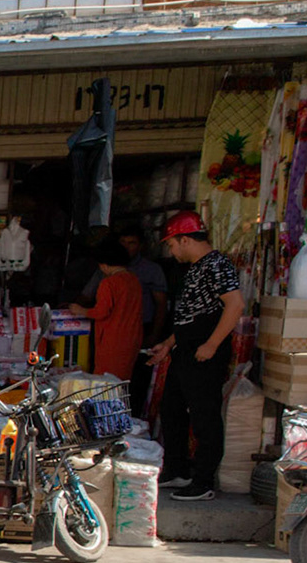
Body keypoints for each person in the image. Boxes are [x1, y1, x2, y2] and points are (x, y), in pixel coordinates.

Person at [145, 211, 244, 502]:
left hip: (205, 352)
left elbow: (235, 305)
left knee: (204, 417)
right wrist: (169, 343)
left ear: (185, 240)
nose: (171, 251)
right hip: (186, 350)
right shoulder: (196, 267)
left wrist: (212, 344)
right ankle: (179, 469)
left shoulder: (217, 264)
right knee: (172, 409)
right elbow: (192, 315)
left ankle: (203, 481)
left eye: (172, 245)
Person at [72, 239, 144, 381]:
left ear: (103, 265)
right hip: (132, 338)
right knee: (122, 380)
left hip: (113, 341)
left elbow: (101, 312)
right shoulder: (133, 280)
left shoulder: (109, 283)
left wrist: (80, 310)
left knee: (105, 382)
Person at [118, 231, 169, 412]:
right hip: (116, 333)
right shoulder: (109, 268)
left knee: (138, 378)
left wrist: (155, 334)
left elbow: (161, 304)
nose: (126, 247)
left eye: (131, 242)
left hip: (144, 329)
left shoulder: (151, 270)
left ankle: (136, 417)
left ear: (140, 246)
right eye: (123, 242)